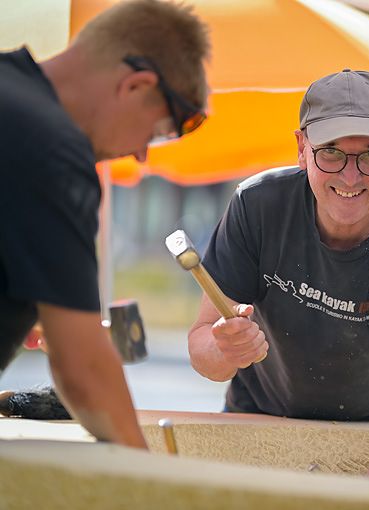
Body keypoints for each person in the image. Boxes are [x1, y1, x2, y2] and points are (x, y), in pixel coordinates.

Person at [188, 69, 369, 475]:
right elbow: (203, 351)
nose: (350, 176)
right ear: (301, 147)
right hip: (258, 421)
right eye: (330, 151)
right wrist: (225, 350)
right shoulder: (257, 206)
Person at [0, 0, 210, 448]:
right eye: (154, 133)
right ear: (136, 86)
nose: (140, 155)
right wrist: (149, 485)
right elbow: (84, 372)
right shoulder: (54, 152)